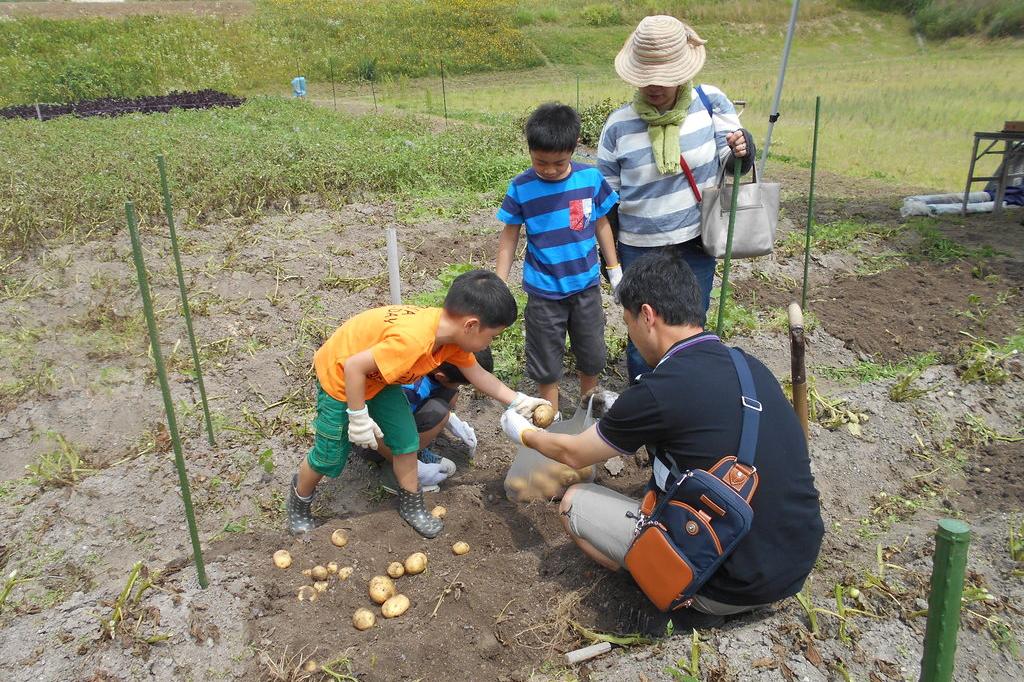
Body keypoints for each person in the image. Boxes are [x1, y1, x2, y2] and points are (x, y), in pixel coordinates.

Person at [500, 252, 823, 628]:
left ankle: (669, 592)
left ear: (648, 315)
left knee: (574, 503)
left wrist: (523, 432)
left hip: (728, 586)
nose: (631, 336)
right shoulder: (748, 364)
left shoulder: (659, 390)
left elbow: (573, 453)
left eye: (629, 323)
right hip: (794, 562)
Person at [287, 269, 549, 538]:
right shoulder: (413, 340)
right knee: (329, 456)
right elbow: (354, 367)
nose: (490, 343)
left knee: (406, 440)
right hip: (342, 380)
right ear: (471, 325)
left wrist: (519, 400)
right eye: (492, 336)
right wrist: (358, 416)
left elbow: (479, 375)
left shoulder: (452, 338)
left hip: (380, 380)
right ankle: (299, 501)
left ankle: (412, 504)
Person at [598, 15, 756, 382]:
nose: (654, 85)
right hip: (640, 249)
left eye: (664, 75)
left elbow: (733, 167)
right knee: (643, 338)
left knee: (689, 331)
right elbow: (606, 202)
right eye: (645, 76)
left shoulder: (711, 103)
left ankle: (686, 405)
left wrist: (742, 149)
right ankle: (648, 412)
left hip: (695, 244)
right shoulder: (617, 126)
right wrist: (613, 262)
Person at [497, 103, 621, 416]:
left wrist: (614, 268)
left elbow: (602, 224)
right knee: (545, 358)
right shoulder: (521, 187)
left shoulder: (590, 179)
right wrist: (499, 281)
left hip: (585, 286)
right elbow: (509, 236)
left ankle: (589, 405)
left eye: (559, 162)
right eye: (541, 162)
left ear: (575, 146)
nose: (550, 169)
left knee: (592, 350)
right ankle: (548, 414)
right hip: (543, 292)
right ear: (529, 151)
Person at [390, 348, 494, 493]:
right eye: (462, 383)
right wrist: (413, 467)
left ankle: (417, 448)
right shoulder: (409, 390)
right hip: (375, 438)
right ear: (441, 376)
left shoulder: (437, 355)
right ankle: (397, 470)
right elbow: (382, 430)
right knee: (439, 412)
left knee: (450, 393)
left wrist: (452, 420)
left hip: (402, 413)